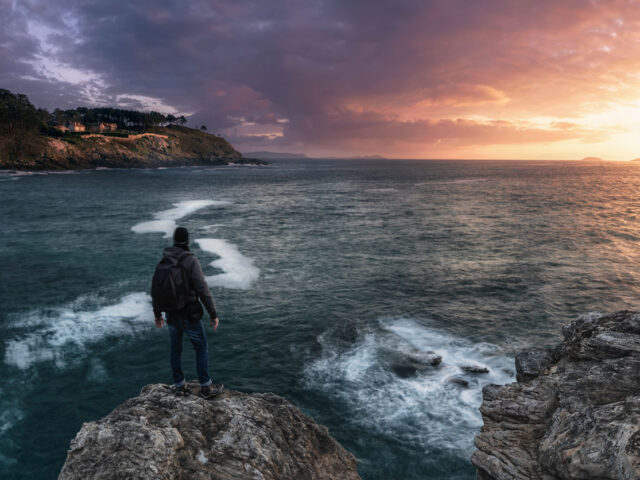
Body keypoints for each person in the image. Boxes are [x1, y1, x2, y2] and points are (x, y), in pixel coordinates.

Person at [152, 226, 223, 398]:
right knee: (201, 347)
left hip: (170, 314)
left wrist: (157, 314)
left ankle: (179, 386)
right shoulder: (190, 260)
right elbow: (202, 289)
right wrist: (213, 314)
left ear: (174, 240)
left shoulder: (164, 261)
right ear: (188, 241)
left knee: (175, 349)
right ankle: (206, 387)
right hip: (188, 313)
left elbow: (155, 289)